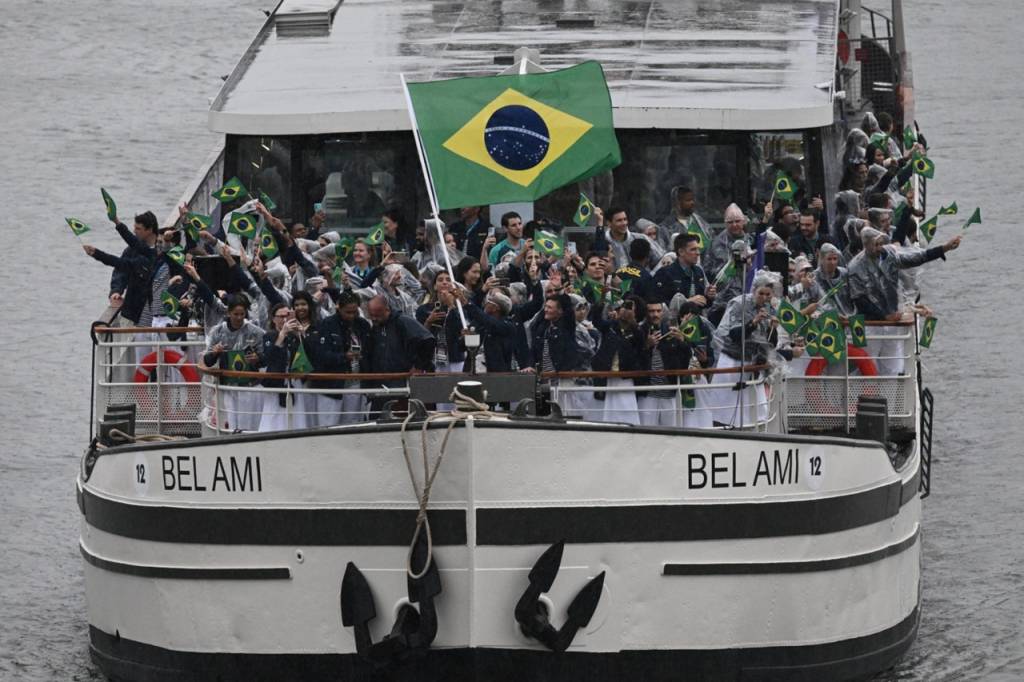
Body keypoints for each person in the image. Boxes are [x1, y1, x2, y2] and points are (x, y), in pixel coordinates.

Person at [847, 227, 962, 375]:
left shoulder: (889, 255)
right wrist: (884, 316)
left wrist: (945, 248)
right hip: (869, 324)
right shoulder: (855, 266)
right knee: (868, 363)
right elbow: (859, 299)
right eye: (876, 245)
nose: (879, 248)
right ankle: (866, 390)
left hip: (893, 320)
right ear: (866, 244)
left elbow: (917, 258)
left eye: (881, 244)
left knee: (893, 364)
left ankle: (890, 389)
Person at [706, 272, 778, 427]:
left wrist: (773, 329)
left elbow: (772, 342)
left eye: (768, 295)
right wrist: (753, 323)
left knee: (757, 410)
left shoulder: (770, 308)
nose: (764, 298)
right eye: (761, 293)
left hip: (753, 363)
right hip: (732, 359)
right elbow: (734, 334)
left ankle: (755, 432)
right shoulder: (739, 304)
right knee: (724, 408)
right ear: (754, 290)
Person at [201, 294, 265, 431]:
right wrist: (215, 353)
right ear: (229, 312)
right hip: (228, 388)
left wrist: (257, 359)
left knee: (250, 426)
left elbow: (264, 360)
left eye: (242, 314)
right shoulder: (217, 332)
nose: (239, 317)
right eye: (236, 314)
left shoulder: (256, 332)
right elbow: (207, 361)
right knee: (231, 426)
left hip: (250, 387)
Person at [364, 294, 436, 415]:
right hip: (382, 383)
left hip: (401, 382)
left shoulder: (403, 321)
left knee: (401, 416)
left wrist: (419, 366)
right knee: (378, 417)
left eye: (377, 315)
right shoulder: (376, 327)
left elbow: (428, 340)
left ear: (387, 309)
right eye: (372, 315)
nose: (374, 319)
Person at [309, 290, 372, 425]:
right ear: (339, 308)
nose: (352, 316)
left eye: (354, 312)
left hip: (356, 382)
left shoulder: (363, 325)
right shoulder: (327, 324)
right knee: (329, 423)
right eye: (348, 312)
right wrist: (344, 357)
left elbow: (370, 351)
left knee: (353, 422)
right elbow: (320, 355)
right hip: (331, 384)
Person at [591, 295, 646, 425]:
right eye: (624, 306)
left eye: (630, 308)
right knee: (608, 415)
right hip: (608, 377)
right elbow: (596, 321)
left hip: (625, 378)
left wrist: (633, 322)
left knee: (627, 411)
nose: (625, 310)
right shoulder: (611, 326)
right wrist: (601, 300)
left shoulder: (638, 330)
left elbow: (640, 347)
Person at [638, 301, 690, 427]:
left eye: (658, 311)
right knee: (645, 433)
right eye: (651, 311)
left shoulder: (671, 332)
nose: (655, 314)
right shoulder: (639, 331)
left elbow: (685, 360)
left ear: (663, 312)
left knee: (671, 434)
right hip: (647, 394)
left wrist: (682, 341)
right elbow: (634, 358)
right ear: (646, 313)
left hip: (669, 392)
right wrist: (646, 346)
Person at [257, 303, 306, 432]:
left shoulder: (294, 336)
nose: (284, 319)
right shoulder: (269, 336)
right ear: (274, 319)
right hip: (276, 382)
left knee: (295, 416)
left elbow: (306, 356)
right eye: (281, 316)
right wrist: (282, 334)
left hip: (293, 382)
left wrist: (301, 335)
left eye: (287, 316)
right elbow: (269, 358)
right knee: (274, 416)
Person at [652, 233, 717, 311]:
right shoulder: (664, 273)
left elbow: (702, 302)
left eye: (698, 249)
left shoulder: (698, 271)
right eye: (693, 249)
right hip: (673, 317)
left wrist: (708, 296)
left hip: (695, 317)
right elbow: (655, 302)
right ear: (681, 252)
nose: (698, 253)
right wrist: (686, 302)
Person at [704, 203, 751, 278]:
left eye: (737, 221)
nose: (734, 225)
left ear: (743, 222)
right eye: (730, 222)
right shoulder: (717, 243)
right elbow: (708, 270)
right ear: (725, 224)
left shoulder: (749, 239)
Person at [658, 186, 711, 252]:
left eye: (692, 199)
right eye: (688, 200)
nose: (692, 203)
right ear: (677, 203)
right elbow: (663, 252)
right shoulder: (666, 228)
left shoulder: (701, 223)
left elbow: (712, 241)